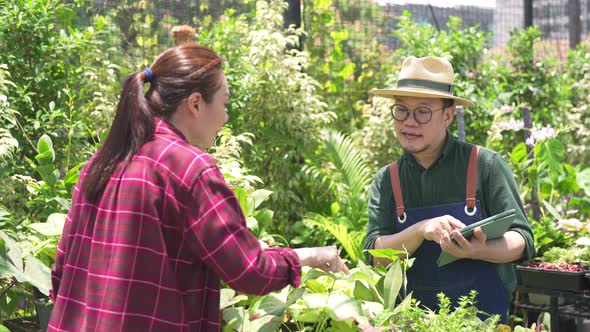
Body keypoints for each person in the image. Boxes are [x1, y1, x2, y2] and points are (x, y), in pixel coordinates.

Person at [48, 41, 348, 331]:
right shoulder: (190, 168)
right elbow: (249, 271)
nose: (225, 117)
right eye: (225, 103)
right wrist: (310, 255)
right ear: (195, 103)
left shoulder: (103, 161)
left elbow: (61, 274)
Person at [363, 56, 535, 323]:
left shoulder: (485, 165)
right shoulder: (388, 179)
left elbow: (522, 239)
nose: (409, 121)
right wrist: (420, 230)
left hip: (482, 322)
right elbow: (375, 255)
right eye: (401, 110)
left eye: (422, 111)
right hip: (412, 324)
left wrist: (480, 250)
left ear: (448, 115)